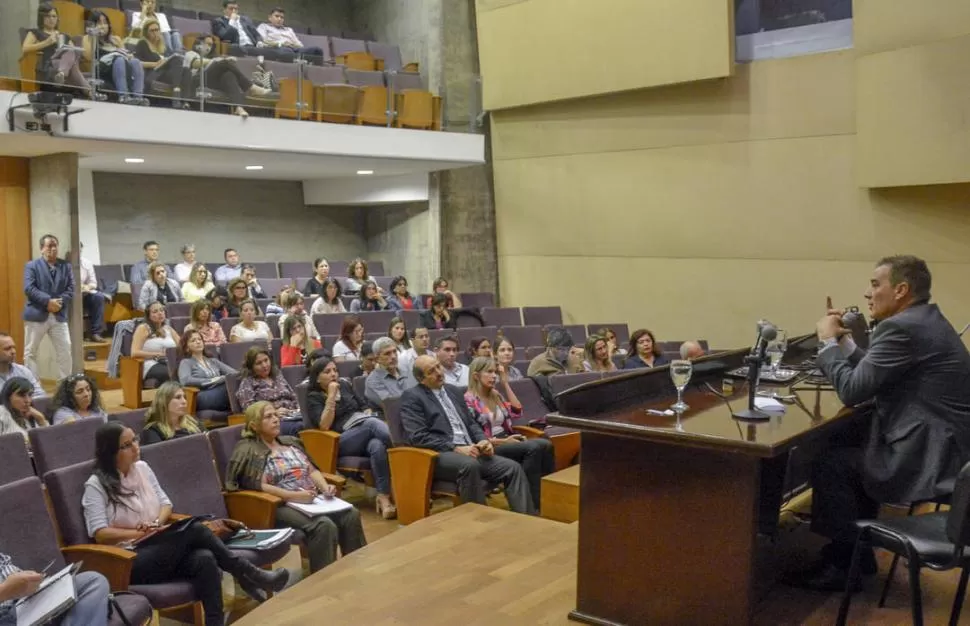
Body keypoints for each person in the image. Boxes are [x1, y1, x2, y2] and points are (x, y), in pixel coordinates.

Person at [786, 256, 970, 592]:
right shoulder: (923, 319)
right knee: (846, 442)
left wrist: (827, 344)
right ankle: (858, 554)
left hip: (930, 458)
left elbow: (853, 390)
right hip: (944, 445)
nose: (868, 294)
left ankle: (844, 565)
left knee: (832, 462)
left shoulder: (902, 327)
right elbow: (874, 371)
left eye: (875, 285)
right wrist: (843, 342)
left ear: (900, 290)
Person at [84, 422, 288, 625]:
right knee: (196, 529)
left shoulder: (143, 468)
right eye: (126, 445)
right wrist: (136, 533)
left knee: (205, 557)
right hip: (128, 559)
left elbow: (165, 505)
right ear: (110, 451)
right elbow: (100, 533)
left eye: (135, 440)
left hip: (158, 544)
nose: (136, 447)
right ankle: (250, 573)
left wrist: (155, 524)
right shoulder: (96, 485)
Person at [225, 401, 367, 573]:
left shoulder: (290, 442)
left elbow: (311, 470)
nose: (276, 420)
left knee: (350, 514)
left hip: (311, 499)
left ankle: (356, 569)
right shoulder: (248, 449)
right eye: (268, 417)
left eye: (276, 415)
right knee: (323, 525)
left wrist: (325, 487)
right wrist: (293, 496)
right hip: (279, 504)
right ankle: (324, 579)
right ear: (254, 425)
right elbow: (259, 486)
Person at [400, 355, 535, 514]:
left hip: (471, 448)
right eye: (431, 371)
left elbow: (471, 423)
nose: (439, 372)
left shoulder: (453, 390)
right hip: (440, 453)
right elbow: (418, 436)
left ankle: (527, 518)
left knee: (512, 468)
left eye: (438, 366)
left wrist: (483, 441)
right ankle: (478, 523)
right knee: (469, 465)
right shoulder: (413, 397)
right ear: (421, 379)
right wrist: (455, 447)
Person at [307, 358, 396, 518]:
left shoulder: (346, 385)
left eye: (335, 370)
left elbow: (363, 406)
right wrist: (331, 396)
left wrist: (367, 413)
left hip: (363, 428)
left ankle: (384, 498)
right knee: (372, 424)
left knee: (377, 445)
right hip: (339, 440)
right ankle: (403, 450)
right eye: (327, 372)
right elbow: (324, 426)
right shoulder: (314, 396)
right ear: (317, 377)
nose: (333, 374)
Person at [465, 357, 554, 511]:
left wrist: (505, 383)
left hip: (507, 439)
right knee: (534, 448)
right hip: (489, 447)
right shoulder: (468, 400)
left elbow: (517, 410)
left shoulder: (495, 394)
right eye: (489, 372)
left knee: (546, 444)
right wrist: (503, 442)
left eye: (495, 372)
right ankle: (532, 504)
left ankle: (547, 498)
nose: (494, 376)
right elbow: (474, 435)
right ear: (476, 376)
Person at [0, 552, 112, 626]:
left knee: (93, 581)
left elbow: (5, 565)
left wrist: (25, 579)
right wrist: (5, 590)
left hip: (21, 603)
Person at [22, 4, 99, 101]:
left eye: (54, 16)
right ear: (41, 17)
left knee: (71, 51)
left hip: (64, 66)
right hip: (49, 64)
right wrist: (47, 42)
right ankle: (90, 92)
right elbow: (25, 48)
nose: (51, 19)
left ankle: (62, 74)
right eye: (48, 16)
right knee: (72, 61)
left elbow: (75, 53)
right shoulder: (35, 32)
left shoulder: (64, 35)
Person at [23, 233, 74, 379]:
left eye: (55, 245)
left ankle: (65, 387)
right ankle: (33, 388)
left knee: (65, 351)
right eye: (49, 246)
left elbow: (71, 289)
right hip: (36, 314)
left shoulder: (66, 266)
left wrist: (58, 302)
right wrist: (48, 302)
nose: (53, 249)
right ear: (41, 249)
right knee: (30, 352)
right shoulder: (32, 266)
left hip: (58, 315)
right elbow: (29, 288)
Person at [187, 35, 270, 118]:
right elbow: (196, 63)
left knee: (228, 75)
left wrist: (221, 61)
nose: (209, 47)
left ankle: (238, 107)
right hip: (197, 80)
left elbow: (218, 63)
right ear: (199, 43)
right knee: (225, 62)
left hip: (212, 81)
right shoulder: (190, 53)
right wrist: (219, 61)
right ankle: (250, 87)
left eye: (211, 45)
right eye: (207, 44)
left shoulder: (214, 58)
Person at [82, 10, 148, 105]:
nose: (103, 26)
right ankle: (123, 96)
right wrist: (94, 37)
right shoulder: (88, 37)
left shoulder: (116, 39)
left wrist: (128, 54)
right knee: (119, 60)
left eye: (105, 23)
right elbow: (88, 56)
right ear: (93, 25)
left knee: (136, 62)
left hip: (119, 67)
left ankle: (138, 96)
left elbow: (126, 55)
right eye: (99, 23)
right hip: (101, 68)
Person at [235, 347, 304, 436]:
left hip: (293, 415)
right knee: (300, 427)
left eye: (266, 360)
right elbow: (250, 411)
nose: (264, 365)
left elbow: (293, 396)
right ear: (251, 367)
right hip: (273, 421)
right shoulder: (247, 383)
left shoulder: (277, 376)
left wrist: (298, 410)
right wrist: (274, 413)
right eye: (259, 363)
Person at [211, 0, 300, 62]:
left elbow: (255, 33)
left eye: (236, 9)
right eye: (231, 8)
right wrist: (232, 21)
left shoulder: (245, 20)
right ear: (224, 10)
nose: (234, 11)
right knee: (274, 53)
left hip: (253, 47)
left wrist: (259, 42)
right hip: (238, 46)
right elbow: (225, 36)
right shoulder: (218, 21)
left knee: (277, 52)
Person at [134, 17, 190, 108]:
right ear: (146, 32)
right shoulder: (142, 43)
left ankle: (185, 102)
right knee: (176, 59)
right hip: (152, 74)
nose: (155, 33)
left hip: (163, 73)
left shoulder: (161, 46)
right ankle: (176, 91)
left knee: (186, 70)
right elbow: (136, 62)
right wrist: (155, 64)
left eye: (157, 30)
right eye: (152, 30)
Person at [177, 331, 236, 413]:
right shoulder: (186, 362)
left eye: (199, 339)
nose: (198, 342)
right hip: (201, 395)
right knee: (229, 388)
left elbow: (234, 374)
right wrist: (212, 380)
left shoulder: (213, 361)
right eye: (193, 340)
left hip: (219, 391)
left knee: (237, 382)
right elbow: (185, 380)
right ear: (187, 347)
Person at [130, 302, 180, 387]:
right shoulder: (143, 328)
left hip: (169, 362)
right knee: (173, 372)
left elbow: (182, 345)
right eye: (155, 311)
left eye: (162, 310)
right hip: (150, 363)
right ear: (148, 315)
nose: (160, 313)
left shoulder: (168, 329)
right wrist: (158, 354)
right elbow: (134, 353)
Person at [140, 381, 205, 445]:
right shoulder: (152, 431)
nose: (184, 401)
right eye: (178, 397)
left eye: (184, 397)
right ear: (164, 402)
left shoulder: (192, 422)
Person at [255, 7, 325, 64]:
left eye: (282, 17)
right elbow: (262, 42)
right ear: (270, 17)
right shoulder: (263, 26)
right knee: (286, 51)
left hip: (294, 49)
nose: (279, 19)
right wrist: (280, 44)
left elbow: (300, 45)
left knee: (317, 51)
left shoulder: (289, 30)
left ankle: (312, 72)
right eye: (277, 16)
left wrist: (291, 44)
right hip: (277, 48)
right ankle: (299, 63)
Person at [365, 337, 413, 406]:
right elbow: (392, 406)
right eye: (387, 353)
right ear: (377, 359)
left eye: (394, 351)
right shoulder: (373, 381)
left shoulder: (406, 372)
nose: (393, 356)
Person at [78, 243, 108, 342]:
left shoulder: (87, 263)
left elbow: (93, 283)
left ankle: (96, 333)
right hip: (70, 295)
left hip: (84, 293)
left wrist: (86, 287)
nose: (78, 253)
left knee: (98, 297)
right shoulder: (64, 264)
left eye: (80, 250)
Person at [0, 333, 45, 398]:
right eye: (7, 348)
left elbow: (40, 396)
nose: (13, 351)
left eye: (13, 347)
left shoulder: (23, 371)